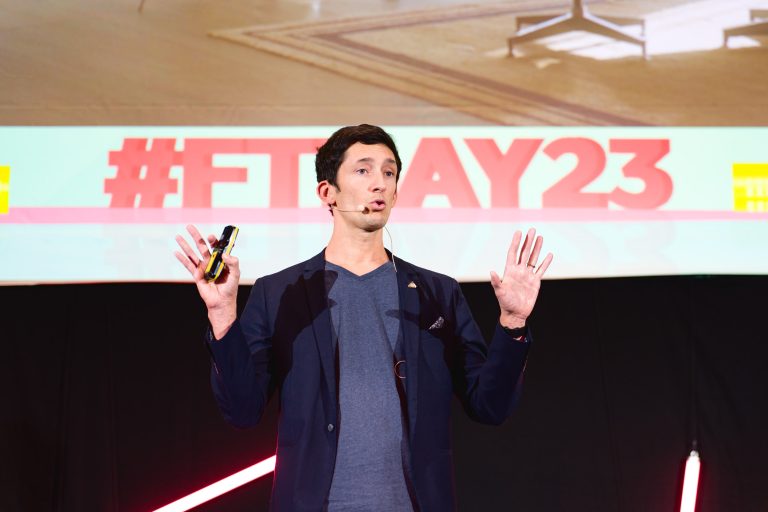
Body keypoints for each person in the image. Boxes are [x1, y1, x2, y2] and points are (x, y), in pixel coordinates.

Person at [174, 124, 553, 512]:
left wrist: (512, 322)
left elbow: (490, 405)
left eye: (389, 173)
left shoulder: (438, 293)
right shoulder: (280, 293)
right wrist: (222, 314)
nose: (380, 184)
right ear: (328, 193)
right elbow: (242, 410)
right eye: (363, 171)